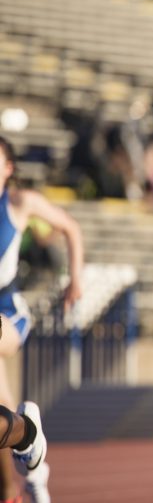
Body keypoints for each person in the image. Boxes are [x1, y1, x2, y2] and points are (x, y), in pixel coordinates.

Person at [0, 135, 81, 502]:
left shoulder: (19, 202)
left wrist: (75, 279)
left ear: (8, 168)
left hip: (8, 314)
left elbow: (71, 229)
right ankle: (29, 474)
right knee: (4, 421)